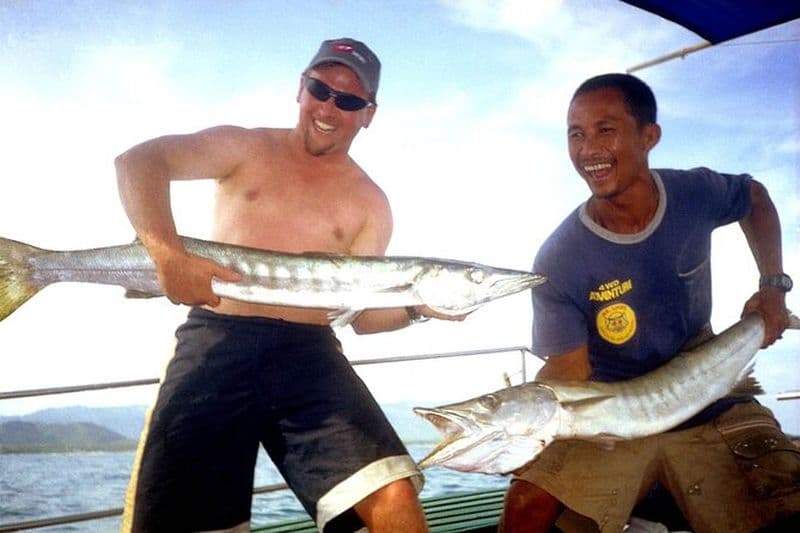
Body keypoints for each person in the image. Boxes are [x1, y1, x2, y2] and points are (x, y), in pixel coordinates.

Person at [116, 38, 462, 533]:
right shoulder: (244, 146)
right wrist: (168, 255)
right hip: (217, 339)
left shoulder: (370, 202)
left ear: (368, 114)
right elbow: (138, 163)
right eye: (320, 90)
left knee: (393, 500)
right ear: (301, 88)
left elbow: (362, 317)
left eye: (348, 101)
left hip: (310, 354)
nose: (329, 108)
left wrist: (419, 308)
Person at [500, 73, 800, 532]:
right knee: (523, 509)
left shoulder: (693, 194)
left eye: (606, 129)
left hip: (708, 387)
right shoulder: (559, 258)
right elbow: (570, 372)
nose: (588, 150)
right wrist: (521, 426)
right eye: (575, 135)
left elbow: (754, 198)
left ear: (649, 136)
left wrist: (774, 288)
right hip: (611, 409)